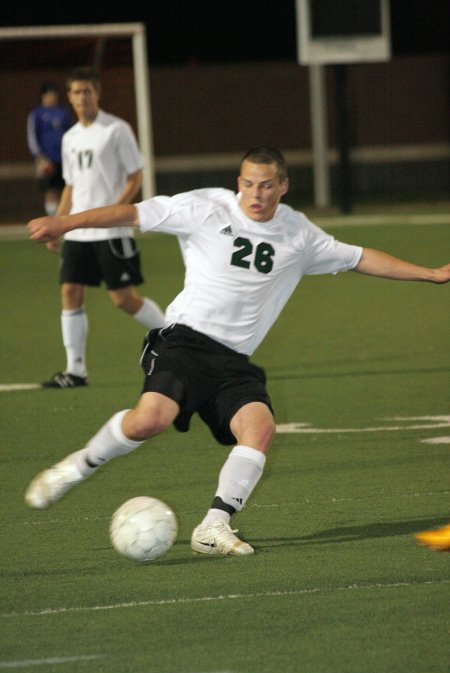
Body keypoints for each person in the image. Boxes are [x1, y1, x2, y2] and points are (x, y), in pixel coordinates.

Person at [24, 147, 450, 556]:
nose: (256, 195)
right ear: (238, 183)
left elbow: (359, 257)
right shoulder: (206, 207)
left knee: (260, 428)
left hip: (232, 361)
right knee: (149, 422)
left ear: (283, 186)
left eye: (266, 186)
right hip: (183, 342)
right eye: (248, 184)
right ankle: (77, 467)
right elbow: (130, 213)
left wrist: (430, 274)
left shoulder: (299, 233)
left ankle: (213, 526)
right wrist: (65, 223)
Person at [41, 67, 165, 389]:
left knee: (123, 298)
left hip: (111, 231)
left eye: (87, 91)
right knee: (70, 292)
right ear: (69, 97)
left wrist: (118, 211)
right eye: (76, 92)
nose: (82, 97)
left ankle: (174, 340)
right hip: (79, 231)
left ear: (97, 93)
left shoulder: (116, 129)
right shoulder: (69, 138)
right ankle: (75, 371)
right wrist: (59, 224)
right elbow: (70, 184)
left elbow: (135, 175)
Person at [27, 82, 73, 216]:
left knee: (66, 189)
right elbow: (32, 136)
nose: (52, 97)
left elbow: (71, 133)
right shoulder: (37, 114)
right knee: (50, 190)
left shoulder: (63, 112)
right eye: (49, 94)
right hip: (47, 159)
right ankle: (52, 219)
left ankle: (66, 219)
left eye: (54, 94)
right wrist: (40, 157)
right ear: (43, 96)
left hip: (64, 158)